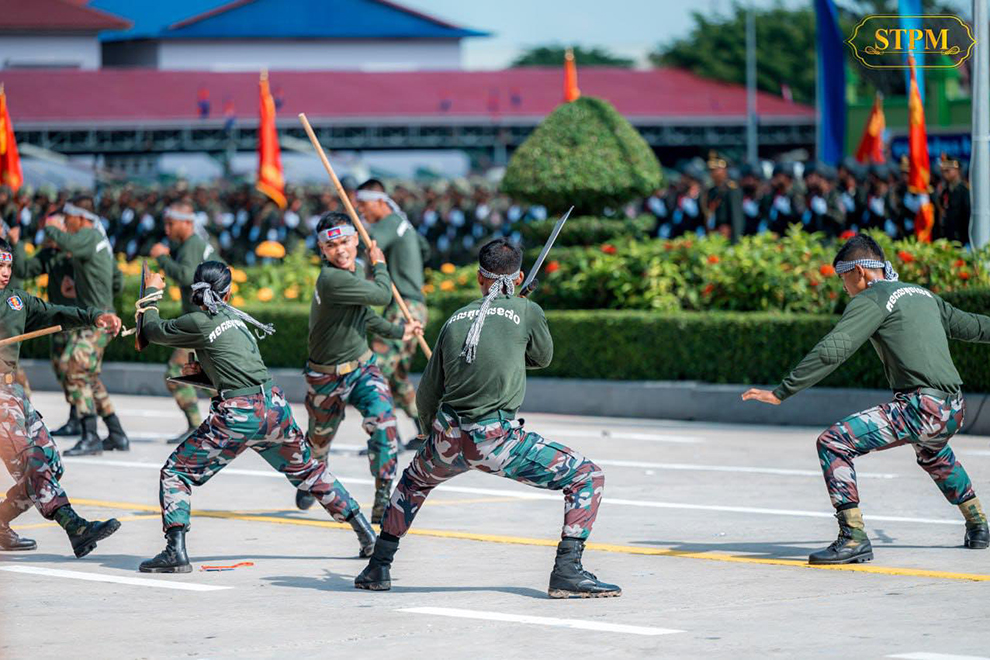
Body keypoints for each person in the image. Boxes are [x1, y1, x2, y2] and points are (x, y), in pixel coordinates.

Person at [355, 238, 620, 599]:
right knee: (587, 476)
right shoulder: (527, 310)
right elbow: (542, 357)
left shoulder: (455, 319)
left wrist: (431, 436)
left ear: (479, 278)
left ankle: (378, 567)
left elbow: (427, 393)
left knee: (412, 484)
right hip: (496, 439)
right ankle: (568, 570)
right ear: (520, 276)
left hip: (447, 436)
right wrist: (523, 307)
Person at [742, 234, 990, 564]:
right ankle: (978, 525)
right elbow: (973, 326)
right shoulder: (923, 295)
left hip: (921, 407)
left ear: (859, 271)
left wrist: (782, 391)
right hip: (953, 408)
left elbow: (835, 349)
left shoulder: (873, 298)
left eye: (843, 279)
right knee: (934, 454)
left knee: (833, 443)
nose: (844, 288)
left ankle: (853, 537)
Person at [137, 261, 377, 573]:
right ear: (229, 293)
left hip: (238, 414)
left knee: (175, 472)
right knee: (310, 472)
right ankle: (366, 534)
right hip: (273, 408)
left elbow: (152, 330)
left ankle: (175, 552)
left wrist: (152, 295)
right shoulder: (235, 320)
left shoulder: (197, 320)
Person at [294, 213, 422, 522]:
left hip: (362, 368)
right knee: (319, 443)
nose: (341, 250)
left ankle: (382, 495)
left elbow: (364, 315)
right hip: (325, 376)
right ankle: (312, 476)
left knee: (384, 424)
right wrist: (379, 262)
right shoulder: (331, 279)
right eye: (332, 245)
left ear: (355, 240)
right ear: (322, 250)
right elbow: (380, 294)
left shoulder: (356, 270)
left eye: (345, 242)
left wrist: (399, 331)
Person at [0, 237, 124, 556]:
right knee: (34, 463)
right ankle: (76, 527)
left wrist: (94, 316)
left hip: (15, 394)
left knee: (49, 462)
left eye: (8, 265)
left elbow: (56, 313)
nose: (4, 271)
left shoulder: (16, 301)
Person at [43, 199, 127, 455]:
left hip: (98, 321)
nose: (66, 223)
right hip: (97, 317)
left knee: (75, 368)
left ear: (80, 217)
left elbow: (65, 243)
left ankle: (90, 435)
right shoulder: (99, 239)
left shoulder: (88, 235)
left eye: (67, 218)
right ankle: (116, 434)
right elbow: (117, 280)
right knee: (86, 374)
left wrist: (50, 226)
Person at [355, 179, 430, 449]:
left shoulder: (387, 224)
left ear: (379, 201)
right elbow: (425, 249)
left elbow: (370, 251)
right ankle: (427, 432)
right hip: (413, 306)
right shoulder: (404, 223)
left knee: (375, 370)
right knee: (396, 376)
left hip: (404, 308)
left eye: (363, 205)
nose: (361, 211)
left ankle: (385, 437)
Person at [149, 202, 218, 445]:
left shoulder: (192, 245)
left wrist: (162, 259)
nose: (167, 229)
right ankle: (230, 419)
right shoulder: (195, 244)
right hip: (206, 321)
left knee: (176, 373)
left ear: (187, 223)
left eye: (171, 223)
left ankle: (197, 425)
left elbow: (188, 277)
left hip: (201, 323)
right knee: (206, 375)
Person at [705, 152, 744, 242]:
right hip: (713, 234)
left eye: (716, 170)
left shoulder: (732, 190)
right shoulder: (711, 191)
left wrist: (735, 242)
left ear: (724, 170)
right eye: (711, 170)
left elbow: (736, 218)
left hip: (727, 236)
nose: (713, 173)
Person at [936, 153, 970, 244]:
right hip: (947, 238)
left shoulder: (964, 191)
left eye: (948, 170)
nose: (944, 174)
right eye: (943, 171)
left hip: (961, 239)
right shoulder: (945, 192)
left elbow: (968, 216)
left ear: (957, 170)